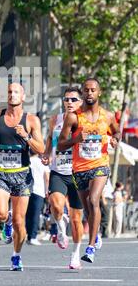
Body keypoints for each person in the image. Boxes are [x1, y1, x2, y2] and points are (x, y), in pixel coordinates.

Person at [0, 82, 45, 271]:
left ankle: (16, 255)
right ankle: (6, 220)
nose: (12, 95)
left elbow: (41, 149)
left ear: (23, 97)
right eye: (9, 92)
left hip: (22, 175)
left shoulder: (31, 120)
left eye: (16, 92)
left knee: (20, 221)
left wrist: (26, 136)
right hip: (0, 173)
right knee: (0, 213)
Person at [58, 77, 120, 263]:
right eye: (86, 90)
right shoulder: (74, 117)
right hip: (79, 169)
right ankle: (96, 233)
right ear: (83, 93)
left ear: (99, 92)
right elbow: (60, 145)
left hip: (100, 165)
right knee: (88, 210)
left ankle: (91, 247)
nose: (90, 93)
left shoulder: (107, 116)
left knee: (94, 200)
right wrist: (75, 140)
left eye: (93, 90)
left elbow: (117, 131)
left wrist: (115, 139)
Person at [42, 87, 84, 270]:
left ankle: (75, 255)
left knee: (76, 219)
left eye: (74, 99)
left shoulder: (86, 121)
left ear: (81, 102)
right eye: (66, 99)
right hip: (58, 170)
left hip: (78, 173)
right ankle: (60, 225)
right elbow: (51, 138)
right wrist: (46, 153)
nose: (69, 102)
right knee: (56, 205)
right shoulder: (55, 119)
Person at [26, 152, 49, 246]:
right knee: (36, 214)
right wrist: (47, 190)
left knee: (28, 214)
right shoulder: (42, 161)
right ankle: (33, 237)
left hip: (28, 189)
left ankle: (28, 236)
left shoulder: (28, 160)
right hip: (39, 190)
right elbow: (47, 177)